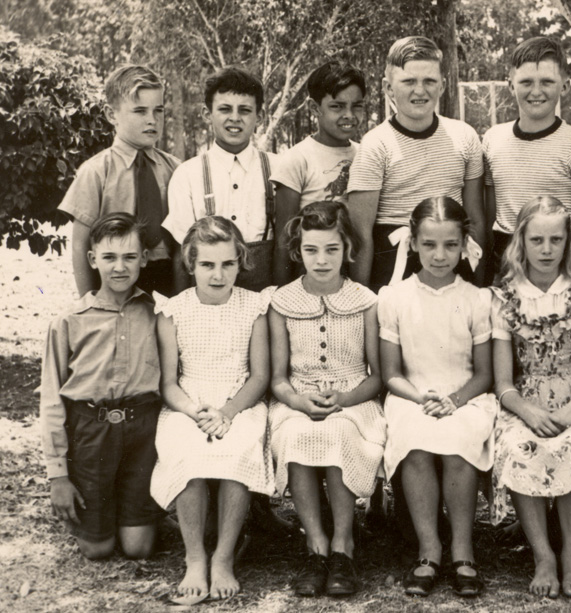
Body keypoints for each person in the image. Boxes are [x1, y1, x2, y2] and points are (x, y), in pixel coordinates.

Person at [378, 196, 496, 597]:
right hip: (411, 395)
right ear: (412, 243)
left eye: (450, 244)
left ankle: (462, 548)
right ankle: (429, 548)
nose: (440, 254)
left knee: (457, 441)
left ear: (465, 244)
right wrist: (421, 397)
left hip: (467, 395)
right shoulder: (394, 298)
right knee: (414, 443)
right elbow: (392, 374)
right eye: (429, 244)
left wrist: (455, 400)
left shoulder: (478, 299)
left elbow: (484, 373)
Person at [150, 216, 273, 600]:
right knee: (187, 454)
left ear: (240, 263)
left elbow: (259, 376)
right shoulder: (172, 310)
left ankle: (223, 556)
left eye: (227, 264)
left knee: (236, 453)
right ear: (190, 264)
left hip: (239, 401)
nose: (217, 275)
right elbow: (169, 383)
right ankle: (195, 557)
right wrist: (194, 411)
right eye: (207, 265)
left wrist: (228, 412)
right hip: (189, 403)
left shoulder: (255, 306)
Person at [268, 200, 385, 597]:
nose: (321, 260)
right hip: (296, 398)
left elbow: (378, 376)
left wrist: (347, 397)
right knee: (299, 435)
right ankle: (315, 544)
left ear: (347, 249)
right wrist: (299, 402)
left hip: (354, 398)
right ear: (298, 251)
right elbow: (278, 379)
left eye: (331, 249)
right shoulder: (281, 302)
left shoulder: (366, 301)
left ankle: (343, 544)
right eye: (311, 250)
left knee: (338, 434)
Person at [490, 196, 571, 598]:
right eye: (536, 240)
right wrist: (528, 411)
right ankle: (543, 555)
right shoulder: (504, 297)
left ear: (568, 243)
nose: (546, 250)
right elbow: (503, 381)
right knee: (518, 444)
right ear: (520, 241)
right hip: (525, 400)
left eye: (556, 240)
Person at [40, 213, 164, 560]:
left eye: (129, 257)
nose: (119, 267)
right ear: (93, 260)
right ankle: (99, 511)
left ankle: (138, 512)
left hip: (143, 431)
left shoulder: (158, 313)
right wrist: (57, 477)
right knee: (97, 549)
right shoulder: (69, 321)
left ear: (143, 259)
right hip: (91, 432)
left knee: (138, 548)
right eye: (109, 257)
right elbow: (51, 401)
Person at [348, 36, 486, 289]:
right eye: (409, 81)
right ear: (389, 88)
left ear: (443, 85)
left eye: (429, 81)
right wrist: (362, 301)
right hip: (394, 272)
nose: (420, 91)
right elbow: (360, 235)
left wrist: (480, 285)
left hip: (451, 265)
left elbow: (475, 220)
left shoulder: (465, 136)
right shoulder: (375, 144)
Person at [483, 36, 571, 282]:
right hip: (509, 271)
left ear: (565, 86)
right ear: (510, 85)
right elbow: (488, 222)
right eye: (526, 82)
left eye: (547, 82)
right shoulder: (492, 139)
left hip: (564, 271)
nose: (536, 91)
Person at [59, 64, 180, 297]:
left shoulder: (175, 169)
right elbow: (79, 246)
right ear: (111, 114)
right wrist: (89, 305)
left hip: (167, 282)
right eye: (140, 111)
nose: (152, 120)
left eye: (159, 111)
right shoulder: (96, 172)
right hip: (115, 281)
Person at [164, 67, 277, 293]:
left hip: (264, 300)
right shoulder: (188, 174)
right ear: (208, 114)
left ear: (260, 116)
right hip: (206, 302)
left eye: (245, 110)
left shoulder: (278, 169)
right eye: (225, 109)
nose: (235, 118)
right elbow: (181, 253)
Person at [271, 61, 367, 286]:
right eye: (337, 106)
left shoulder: (366, 154)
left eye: (357, 106)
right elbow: (284, 239)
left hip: (353, 269)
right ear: (315, 108)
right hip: (310, 272)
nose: (349, 115)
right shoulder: (297, 159)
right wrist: (282, 294)